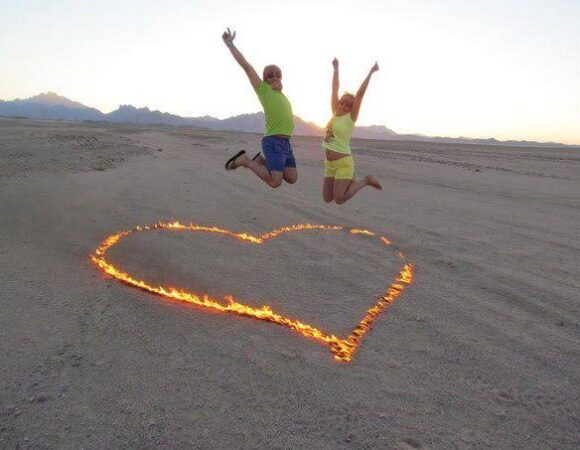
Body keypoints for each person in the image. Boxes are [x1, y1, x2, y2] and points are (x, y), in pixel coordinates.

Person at [222, 28, 297, 189]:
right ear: (265, 79)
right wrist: (230, 45)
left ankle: (260, 161)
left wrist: (279, 88)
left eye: (278, 74)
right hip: (273, 141)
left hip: (286, 143)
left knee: (291, 177)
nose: (274, 77)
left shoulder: (281, 95)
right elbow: (246, 66)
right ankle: (245, 161)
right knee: (275, 181)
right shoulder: (263, 90)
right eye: (270, 75)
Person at [322, 58, 382, 204]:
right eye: (342, 102)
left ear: (351, 107)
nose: (343, 105)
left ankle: (365, 181)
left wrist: (371, 73)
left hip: (343, 162)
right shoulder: (335, 113)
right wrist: (336, 69)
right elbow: (334, 89)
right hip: (329, 164)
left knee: (339, 199)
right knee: (327, 198)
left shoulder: (351, 118)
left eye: (348, 105)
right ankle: (349, 182)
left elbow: (360, 95)